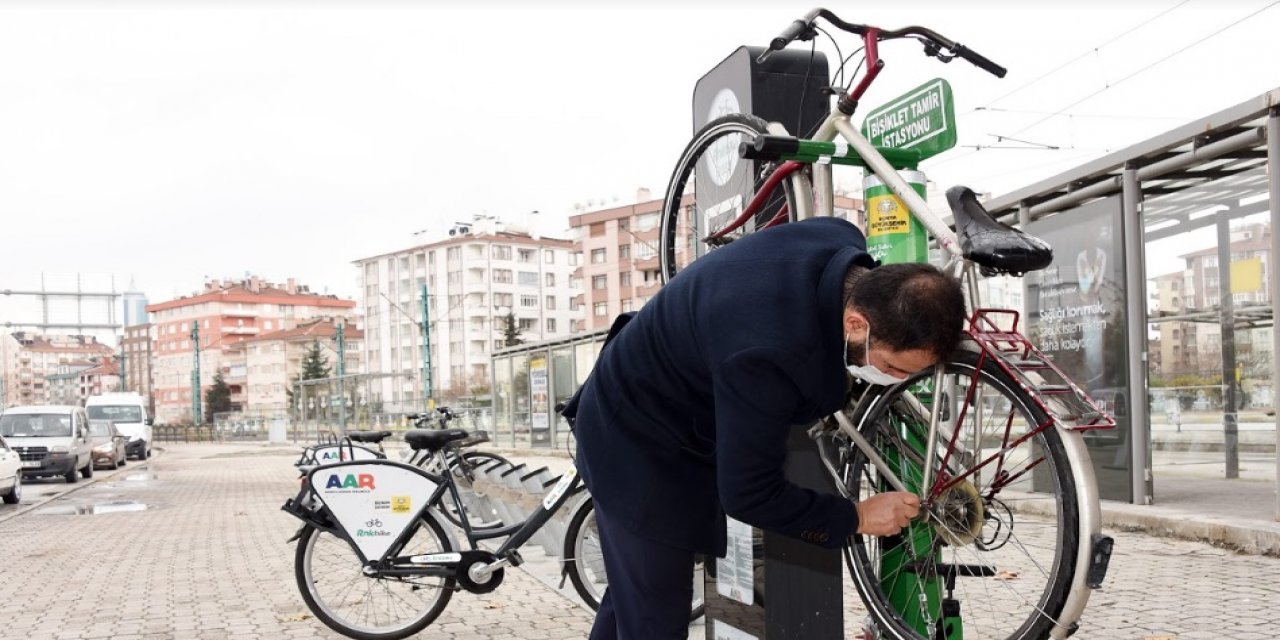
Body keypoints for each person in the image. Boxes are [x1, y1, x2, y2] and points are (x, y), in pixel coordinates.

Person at [562, 216, 967, 640]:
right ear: (856, 324)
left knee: (634, 599)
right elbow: (749, 494)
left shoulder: (839, 240)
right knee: (655, 616)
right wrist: (856, 517)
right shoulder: (765, 355)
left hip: (670, 398)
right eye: (890, 367)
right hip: (634, 441)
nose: (894, 380)